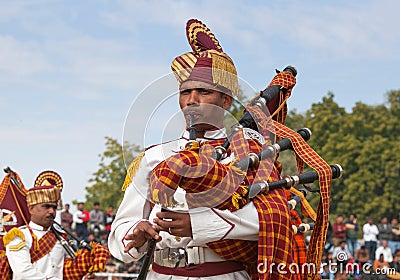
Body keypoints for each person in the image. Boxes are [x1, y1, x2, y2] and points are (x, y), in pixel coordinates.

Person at [109, 18, 300, 280]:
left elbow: (274, 218)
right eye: (185, 92)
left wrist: (197, 225)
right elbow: (121, 227)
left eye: (203, 92)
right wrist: (136, 233)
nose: (191, 101)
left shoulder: (250, 151)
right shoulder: (154, 157)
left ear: (226, 100)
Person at [3, 171, 110, 279]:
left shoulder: (60, 237)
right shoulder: (19, 236)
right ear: (31, 209)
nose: (51, 211)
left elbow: (65, 271)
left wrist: (83, 276)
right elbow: (23, 274)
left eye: (54, 207)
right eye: (46, 206)